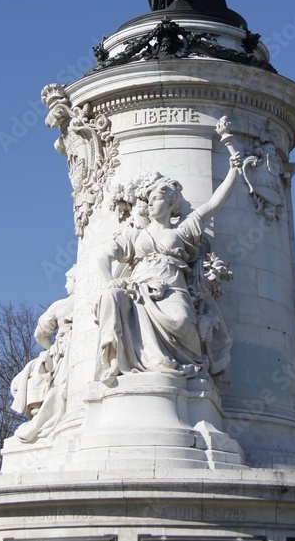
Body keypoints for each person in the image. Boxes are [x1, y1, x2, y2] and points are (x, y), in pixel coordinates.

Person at [93, 152, 241, 386]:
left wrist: (234, 170)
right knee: (111, 296)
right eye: (149, 198)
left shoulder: (182, 231)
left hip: (172, 288)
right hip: (139, 289)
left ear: (172, 203)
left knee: (182, 321)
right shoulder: (135, 235)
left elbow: (214, 204)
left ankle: (184, 366)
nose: (150, 203)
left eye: (157, 197)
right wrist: (109, 280)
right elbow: (103, 255)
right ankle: (114, 365)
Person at [10, 266, 76, 444]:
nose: (65, 285)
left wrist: (51, 348)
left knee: (28, 378)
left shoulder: (61, 305)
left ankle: (37, 420)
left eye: (68, 280)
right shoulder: (93, 298)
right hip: (74, 349)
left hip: (62, 351)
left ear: (76, 280)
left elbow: (39, 335)